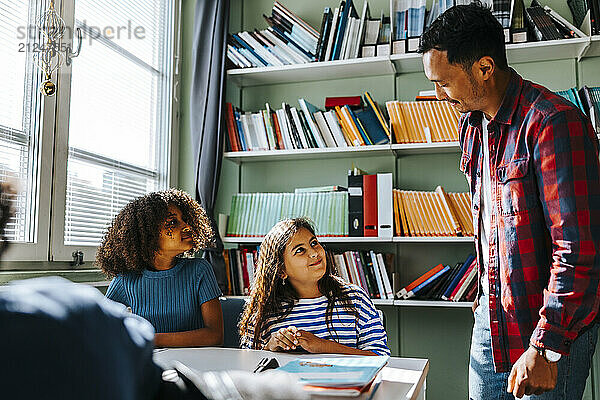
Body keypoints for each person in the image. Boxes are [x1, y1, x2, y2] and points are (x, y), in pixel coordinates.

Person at [418, 3, 600, 399]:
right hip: (491, 318)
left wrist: (544, 346)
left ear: (484, 67)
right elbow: (491, 224)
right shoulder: (470, 125)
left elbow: (578, 247)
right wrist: (483, 295)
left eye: (444, 83)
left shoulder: (553, 122)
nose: (437, 95)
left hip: (551, 330)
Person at [238, 217, 390, 356]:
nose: (314, 253)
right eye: (300, 250)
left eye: (314, 243)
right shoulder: (265, 310)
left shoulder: (354, 298)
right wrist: (269, 347)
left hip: (347, 385)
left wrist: (324, 346)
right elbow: (249, 365)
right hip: (290, 386)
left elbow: (380, 357)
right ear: (281, 271)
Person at [97, 189, 224, 347]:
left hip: (196, 363)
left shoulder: (200, 270)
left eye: (185, 219)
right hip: (149, 364)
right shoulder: (125, 280)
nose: (187, 226)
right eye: (172, 222)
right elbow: (100, 328)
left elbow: (215, 336)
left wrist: (150, 338)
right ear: (148, 235)